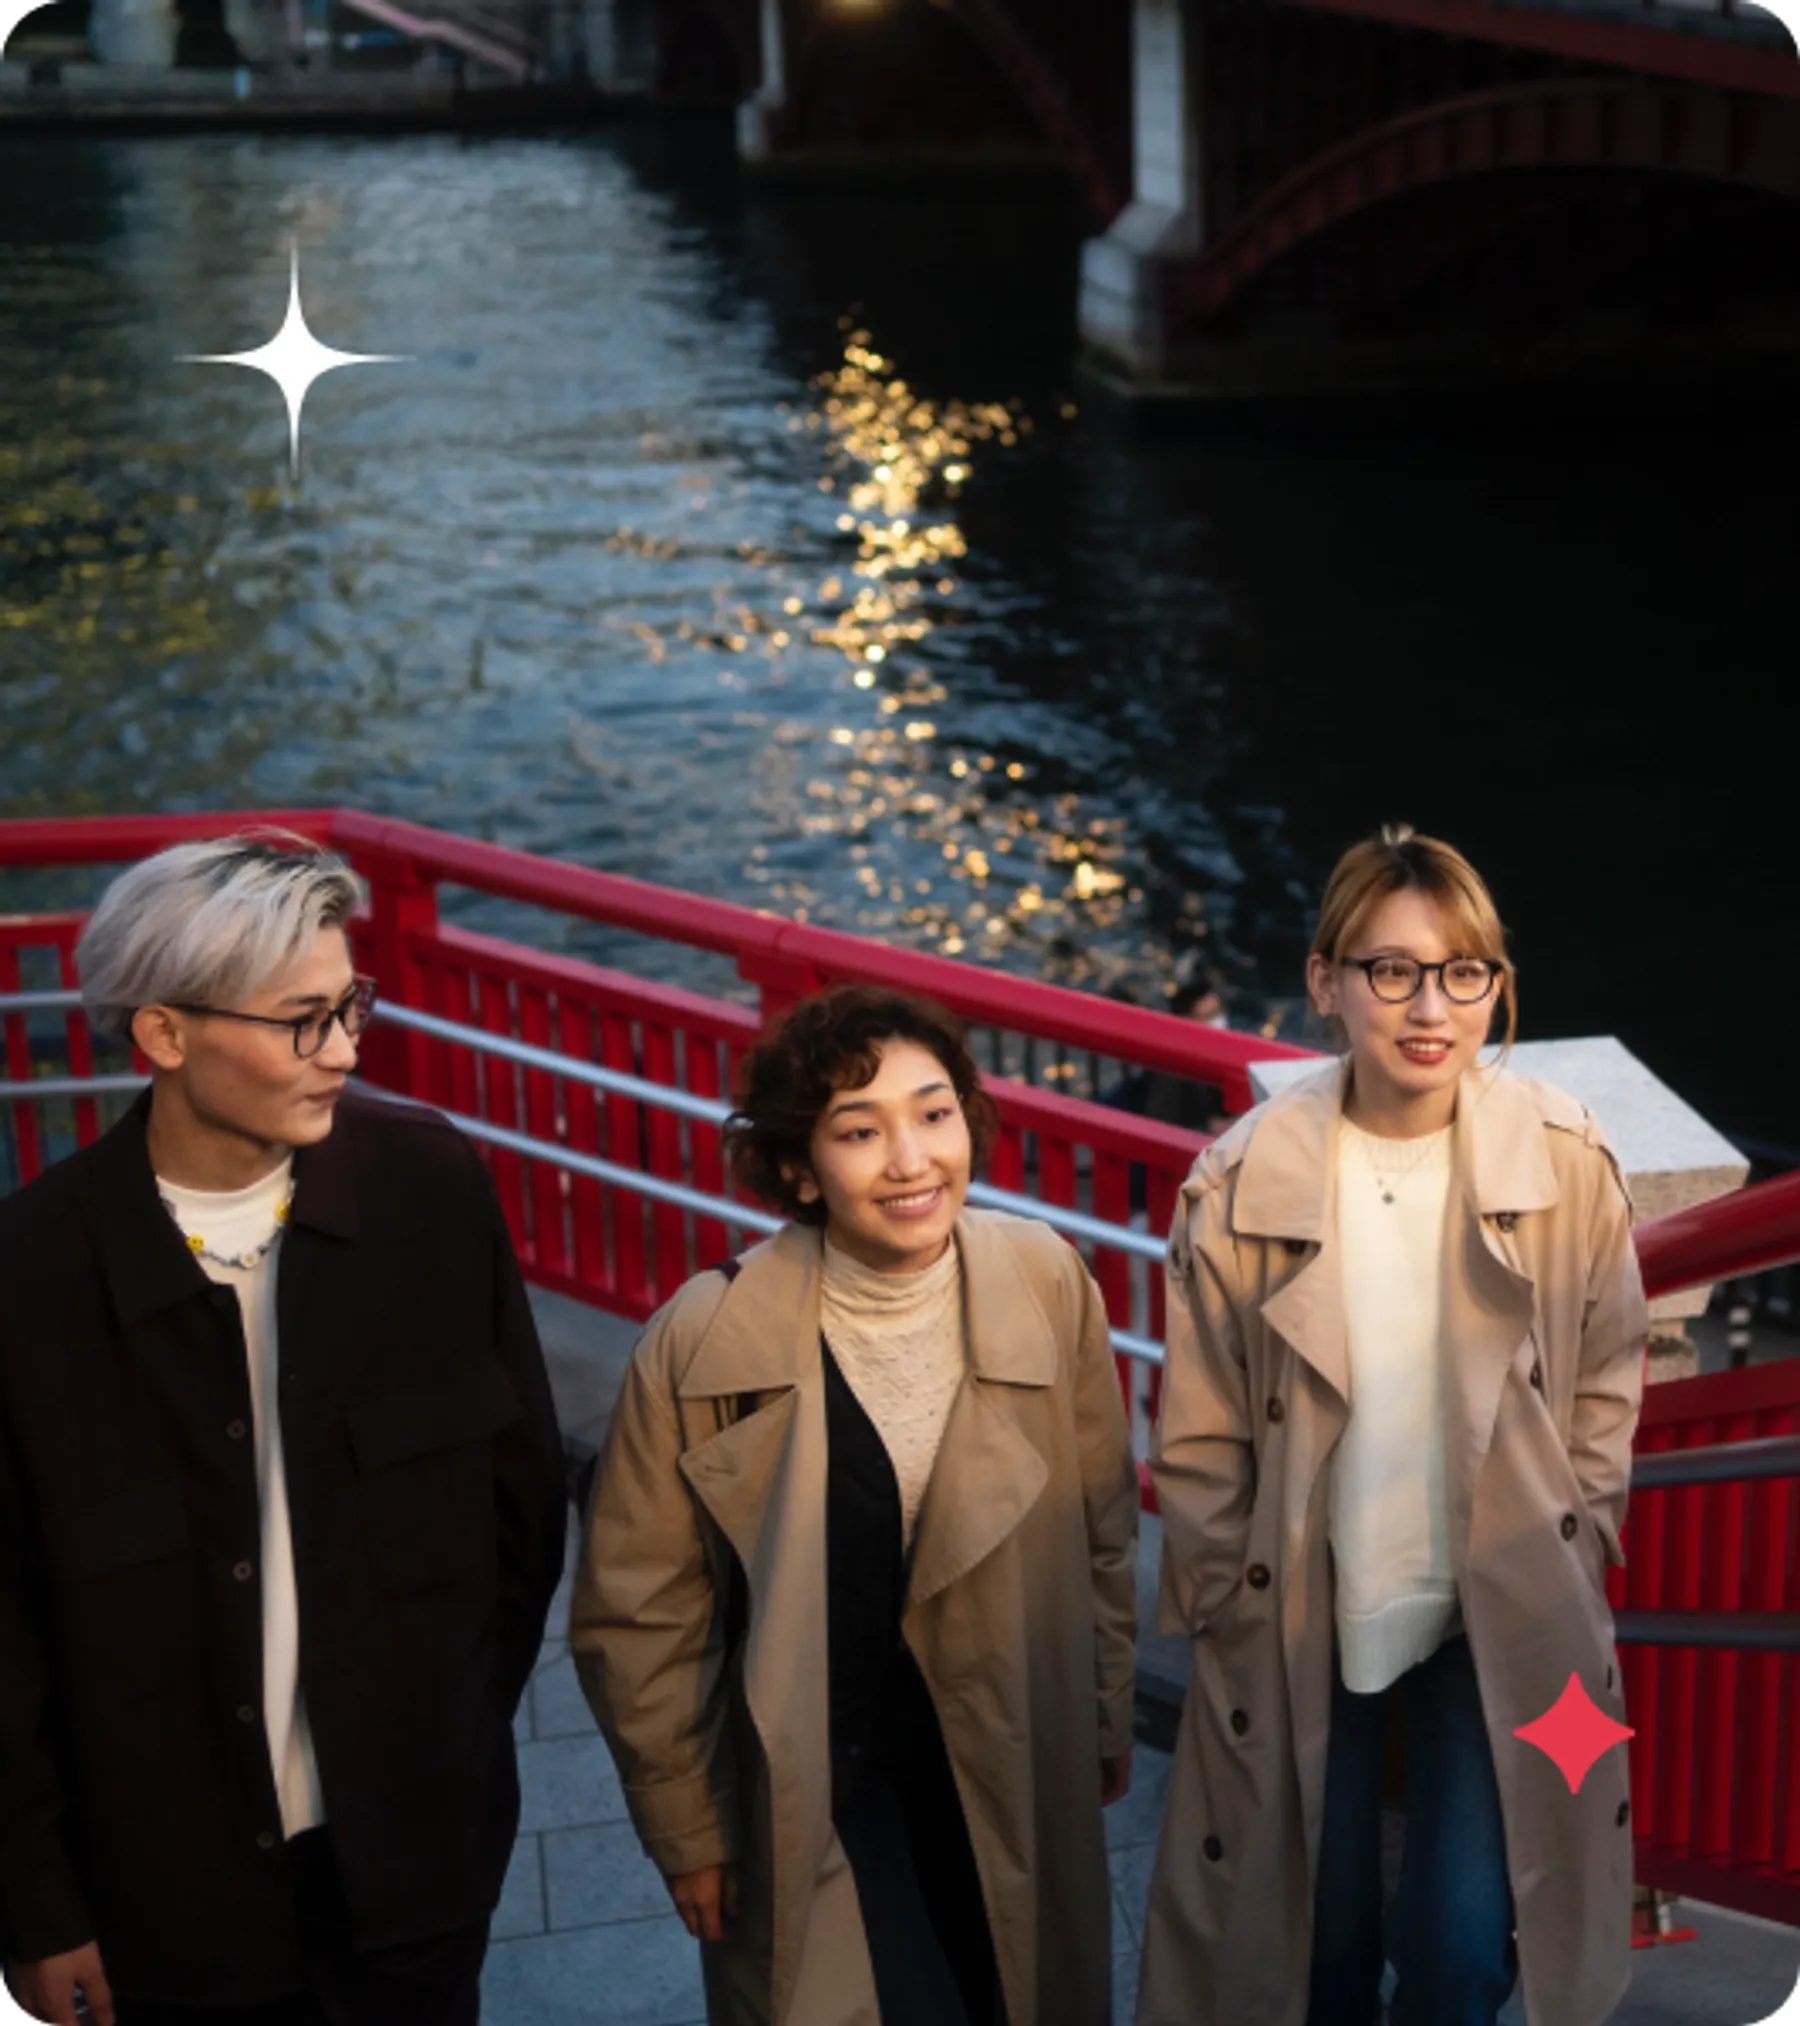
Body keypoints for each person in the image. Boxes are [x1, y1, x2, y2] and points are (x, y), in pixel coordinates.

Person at [0, 832, 567, 2026]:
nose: (347, 1050)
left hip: (415, 1878)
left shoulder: (432, 1190)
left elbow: (518, 1522)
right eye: (303, 1019)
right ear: (164, 1034)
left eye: (350, 1004)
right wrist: (41, 1911)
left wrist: (453, 1751)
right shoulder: (31, 1275)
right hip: (162, 1913)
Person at [1135, 825, 1648, 2026]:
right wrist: (1224, 1598)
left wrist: (1580, 1533)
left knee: (1467, 1946)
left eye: (1465, 971)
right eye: (1393, 969)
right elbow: (1200, 1435)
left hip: (1500, 1602)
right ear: (1326, 982)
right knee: (1316, 1937)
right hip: (1307, 1602)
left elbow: (1609, 1366)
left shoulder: (1564, 1166)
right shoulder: (1242, 1184)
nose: (1434, 1006)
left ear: (1495, 986)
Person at [569, 984, 1139, 2026]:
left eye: (934, 1112)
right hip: (818, 1772)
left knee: (1010, 1983)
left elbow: (1101, 1527)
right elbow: (639, 1616)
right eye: (860, 1130)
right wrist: (688, 1829)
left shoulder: (1048, 1281)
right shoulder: (702, 1342)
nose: (913, 1160)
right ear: (798, 1166)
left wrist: (1102, 1710)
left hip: (1010, 1743)